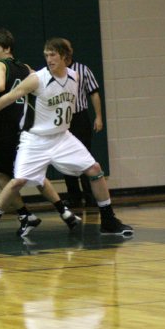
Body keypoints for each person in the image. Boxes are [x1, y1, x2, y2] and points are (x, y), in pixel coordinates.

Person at [0, 38, 133, 238]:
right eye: (46, 55)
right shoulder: (37, 79)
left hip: (62, 137)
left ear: (66, 57)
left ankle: (108, 220)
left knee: (95, 170)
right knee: (17, 181)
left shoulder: (75, 76)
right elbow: (7, 97)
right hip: (35, 139)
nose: (49, 59)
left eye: (53, 55)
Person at [0, 29, 79, 238]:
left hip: (8, 129)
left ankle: (24, 215)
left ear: (7, 49)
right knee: (34, 174)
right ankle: (64, 212)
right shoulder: (26, 68)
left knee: (2, 173)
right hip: (27, 128)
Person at [59, 39, 104, 208]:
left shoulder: (83, 70)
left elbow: (94, 93)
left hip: (80, 118)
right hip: (64, 119)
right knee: (65, 159)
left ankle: (90, 196)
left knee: (84, 157)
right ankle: (74, 197)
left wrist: (98, 117)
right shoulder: (54, 72)